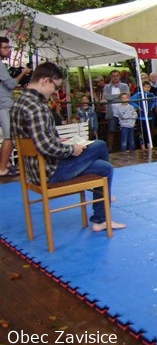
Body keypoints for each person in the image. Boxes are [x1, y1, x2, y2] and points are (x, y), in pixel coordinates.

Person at [10, 62, 125, 231]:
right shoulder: (36, 107)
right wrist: (72, 149)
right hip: (51, 171)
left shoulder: (19, 103)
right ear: (45, 81)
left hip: (33, 171)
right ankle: (101, 208)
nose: (55, 92)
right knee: (102, 153)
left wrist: (57, 138)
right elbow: (45, 147)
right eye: (56, 87)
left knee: (102, 161)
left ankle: (101, 200)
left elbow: (30, 138)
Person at [0, 36, 31, 177]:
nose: (8, 50)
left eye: (9, 47)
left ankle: (5, 164)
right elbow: (11, 84)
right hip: (4, 104)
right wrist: (23, 73)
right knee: (10, 136)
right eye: (5, 47)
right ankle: (2, 169)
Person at [103, 70, 130, 151]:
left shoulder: (124, 86)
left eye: (117, 75)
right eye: (113, 76)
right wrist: (119, 95)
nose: (115, 77)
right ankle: (110, 149)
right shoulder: (107, 87)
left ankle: (125, 148)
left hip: (123, 112)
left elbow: (127, 96)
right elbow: (107, 97)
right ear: (111, 77)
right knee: (111, 131)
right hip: (112, 112)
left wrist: (112, 98)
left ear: (119, 76)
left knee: (125, 130)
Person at [130, 80, 157, 149]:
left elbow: (155, 101)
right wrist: (137, 106)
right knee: (141, 132)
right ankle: (142, 146)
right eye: (145, 87)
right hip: (141, 118)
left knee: (148, 132)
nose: (147, 88)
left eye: (148, 87)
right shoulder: (138, 94)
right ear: (142, 87)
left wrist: (152, 106)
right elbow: (130, 100)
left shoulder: (151, 95)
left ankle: (149, 145)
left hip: (149, 117)